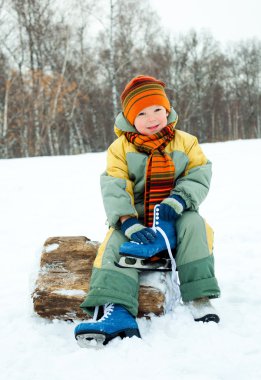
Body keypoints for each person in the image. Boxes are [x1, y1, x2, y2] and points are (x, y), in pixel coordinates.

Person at [74, 75, 221, 347]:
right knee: (113, 243)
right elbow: (115, 184)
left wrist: (178, 200)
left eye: (157, 110)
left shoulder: (185, 142)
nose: (152, 118)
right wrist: (127, 221)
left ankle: (200, 296)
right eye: (141, 113)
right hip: (138, 217)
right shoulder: (120, 148)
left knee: (196, 225)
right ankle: (118, 310)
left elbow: (200, 173)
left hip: (176, 211)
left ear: (167, 110)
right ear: (130, 118)